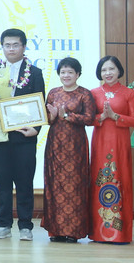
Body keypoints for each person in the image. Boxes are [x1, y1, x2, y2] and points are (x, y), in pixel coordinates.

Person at [0, 28, 45, 241]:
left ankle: (26, 226)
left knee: (25, 182)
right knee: (2, 182)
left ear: (24, 47)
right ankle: (3, 225)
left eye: (15, 45)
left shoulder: (34, 73)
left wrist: (36, 129)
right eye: (7, 45)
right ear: (2, 47)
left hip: (24, 136)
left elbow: (40, 103)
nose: (11, 49)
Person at [40, 57, 95, 242]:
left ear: (77, 74)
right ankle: (55, 230)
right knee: (55, 184)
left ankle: (73, 231)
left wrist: (67, 116)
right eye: (63, 72)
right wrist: (53, 116)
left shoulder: (84, 94)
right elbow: (47, 119)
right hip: (55, 144)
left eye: (70, 72)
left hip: (75, 146)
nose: (66, 75)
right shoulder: (53, 93)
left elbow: (90, 118)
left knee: (75, 186)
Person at [90, 55, 134, 244]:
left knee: (120, 180)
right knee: (100, 181)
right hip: (100, 143)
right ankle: (98, 233)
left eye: (111, 69)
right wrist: (102, 117)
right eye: (104, 70)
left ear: (119, 70)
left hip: (120, 144)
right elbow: (88, 119)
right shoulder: (94, 93)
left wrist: (115, 116)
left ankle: (120, 234)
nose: (107, 73)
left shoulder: (128, 93)